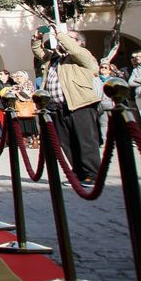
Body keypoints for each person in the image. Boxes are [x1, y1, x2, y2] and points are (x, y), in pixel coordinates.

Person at [33, 26, 102, 184]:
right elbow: (38, 52)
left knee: (85, 141)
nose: (61, 39)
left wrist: (60, 34)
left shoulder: (83, 55)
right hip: (58, 107)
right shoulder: (55, 59)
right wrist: (37, 38)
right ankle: (78, 174)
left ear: (79, 43)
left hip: (80, 104)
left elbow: (75, 51)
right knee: (66, 142)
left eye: (70, 37)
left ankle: (93, 174)